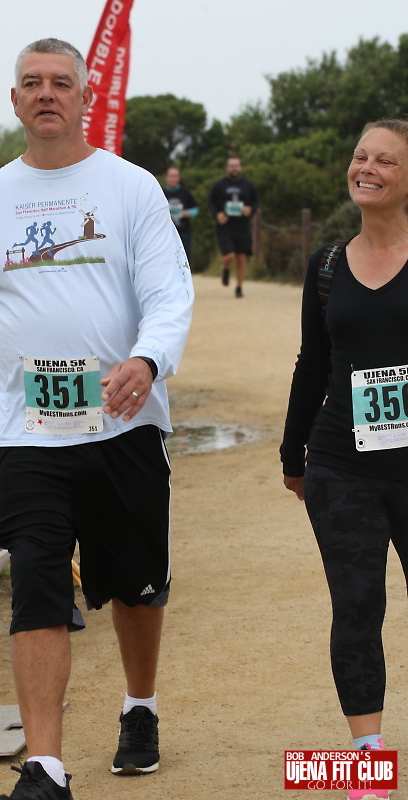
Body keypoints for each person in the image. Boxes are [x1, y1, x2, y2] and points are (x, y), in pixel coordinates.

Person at [0, 38, 193, 800]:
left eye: (60, 82)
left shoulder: (131, 188)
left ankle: (140, 706)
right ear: (14, 100)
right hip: (26, 432)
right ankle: (45, 770)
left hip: (123, 424)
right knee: (37, 584)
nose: (45, 93)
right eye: (31, 83)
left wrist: (146, 359)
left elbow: (168, 293)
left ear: (85, 98)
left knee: (135, 585)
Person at [280, 119, 408, 800]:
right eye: (361, 156)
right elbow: (313, 362)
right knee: (356, 607)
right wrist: (292, 452)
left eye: (386, 160)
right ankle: (368, 765)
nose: (368, 168)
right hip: (341, 464)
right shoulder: (327, 264)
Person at [208, 156, 258, 297]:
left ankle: (239, 287)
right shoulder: (219, 185)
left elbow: (255, 203)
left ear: (240, 167)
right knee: (229, 255)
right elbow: (211, 202)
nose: (234, 168)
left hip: (242, 227)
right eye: (231, 166)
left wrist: (250, 210)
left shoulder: (248, 185)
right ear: (227, 168)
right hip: (225, 227)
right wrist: (217, 215)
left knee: (241, 258)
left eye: (236, 165)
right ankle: (225, 268)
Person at [162, 166, 198, 262]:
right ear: (166, 177)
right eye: (171, 176)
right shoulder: (161, 192)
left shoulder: (185, 192)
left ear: (179, 178)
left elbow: (195, 210)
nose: (173, 179)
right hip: (166, 234)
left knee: (184, 260)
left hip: (184, 232)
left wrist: (186, 213)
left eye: (175, 176)